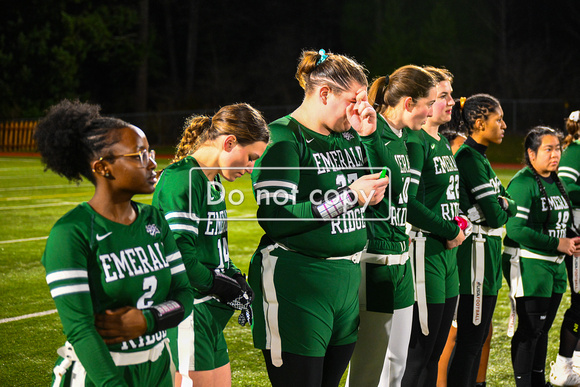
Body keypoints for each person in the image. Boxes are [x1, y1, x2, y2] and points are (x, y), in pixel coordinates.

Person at [248, 49, 389, 387]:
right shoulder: (283, 137)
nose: (361, 109)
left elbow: (385, 198)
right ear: (324, 93)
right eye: (354, 100)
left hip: (346, 278)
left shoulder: (350, 136)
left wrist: (370, 138)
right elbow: (275, 216)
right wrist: (348, 197)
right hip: (299, 280)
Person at [36, 99, 194, 387]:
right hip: (100, 375)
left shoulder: (154, 219)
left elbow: (184, 294)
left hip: (158, 366)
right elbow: (81, 329)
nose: (152, 163)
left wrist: (148, 320)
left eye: (150, 153)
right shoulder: (71, 232)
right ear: (103, 167)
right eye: (139, 156)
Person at [151, 103, 270, 387]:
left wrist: (236, 281)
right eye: (250, 157)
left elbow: (214, 248)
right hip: (188, 311)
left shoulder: (211, 182)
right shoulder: (183, 179)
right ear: (229, 142)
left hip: (207, 314)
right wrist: (218, 285)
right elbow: (178, 258)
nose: (251, 168)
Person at [346, 64, 437, 387]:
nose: (430, 112)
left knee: (396, 364)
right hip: (376, 260)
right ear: (409, 102)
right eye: (429, 103)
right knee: (369, 368)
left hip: (400, 260)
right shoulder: (372, 132)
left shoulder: (401, 137)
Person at [401, 66, 467, 387]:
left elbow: (444, 199)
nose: (452, 102)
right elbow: (408, 203)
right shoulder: (415, 143)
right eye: (444, 96)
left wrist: (457, 223)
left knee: (436, 352)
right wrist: (449, 230)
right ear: (425, 103)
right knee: (419, 355)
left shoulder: (440, 141)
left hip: (446, 255)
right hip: (425, 253)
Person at [446, 93, 517, 386]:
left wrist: (500, 206)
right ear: (478, 122)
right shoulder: (468, 158)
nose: (503, 125)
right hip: (473, 258)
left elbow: (509, 204)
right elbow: (499, 214)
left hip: (485, 254)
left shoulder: (481, 158)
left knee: (477, 336)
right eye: (497, 119)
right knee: (470, 340)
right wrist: (499, 208)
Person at [502, 126, 580, 386]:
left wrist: (571, 240)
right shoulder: (524, 182)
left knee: (543, 331)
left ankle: (538, 382)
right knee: (529, 332)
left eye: (558, 148)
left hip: (554, 267)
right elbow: (514, 229)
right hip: (530, 264)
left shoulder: (555, 180)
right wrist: (557, 243)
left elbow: (562, 222)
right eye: (548, 149)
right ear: (531, 153)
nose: (555, 154)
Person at [549, 110, 580, 386]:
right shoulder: (575, 152)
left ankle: (576, 362)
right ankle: (563, 365)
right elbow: (566, 189)